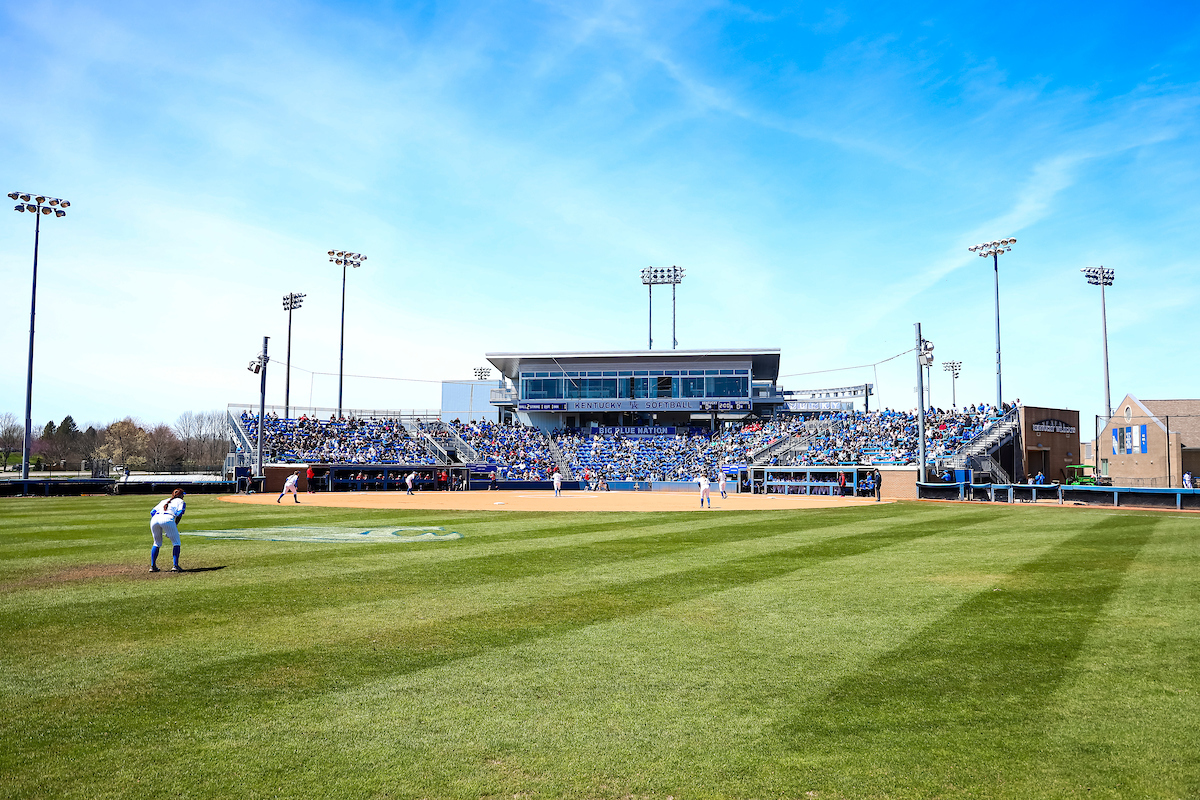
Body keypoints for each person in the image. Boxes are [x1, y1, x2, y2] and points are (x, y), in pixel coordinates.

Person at [149, 488, 186, 572]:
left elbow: (152, 512)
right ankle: (175, 566)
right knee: (176, 542)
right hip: (168, 518)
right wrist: (172, 526)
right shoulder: (180, 501)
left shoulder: (164, 501)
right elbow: (179, 513)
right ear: (180, 495)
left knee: (157, 543)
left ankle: (153, 566)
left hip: (155, 519)